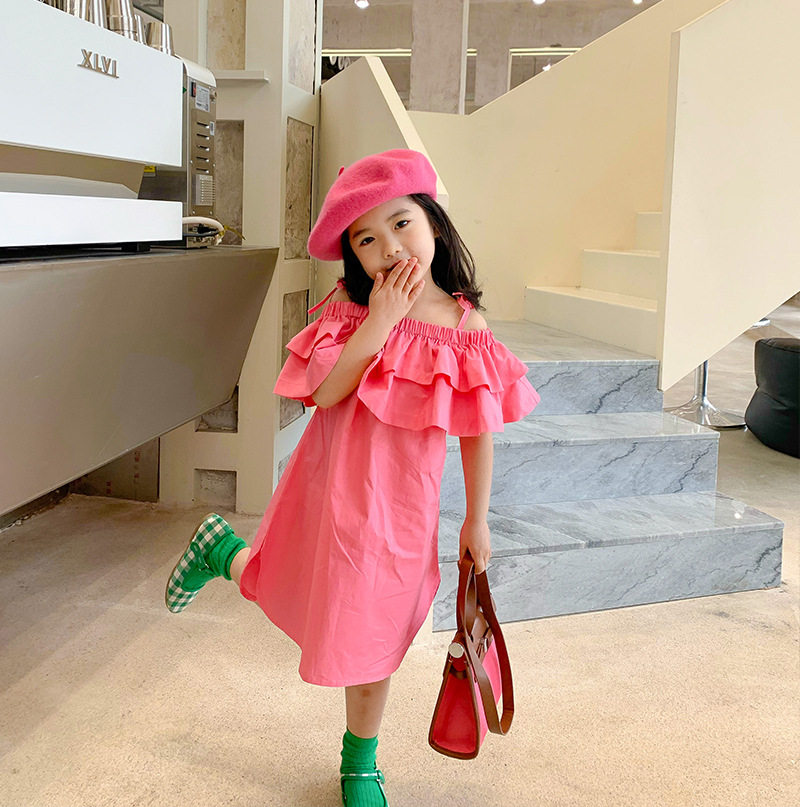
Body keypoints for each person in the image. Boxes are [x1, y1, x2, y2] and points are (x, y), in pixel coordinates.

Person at [164, 149, 540, 807]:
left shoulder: (465, 329)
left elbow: (477, 431)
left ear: (434, 224)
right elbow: (324, 392)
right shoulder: (349, 307)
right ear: (353, 256)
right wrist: (382, 321)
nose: (388, 247)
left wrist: (477, 520)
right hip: (333, 490)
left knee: (374, 631)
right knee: (303, 592)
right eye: (366, 239)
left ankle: (359, 762)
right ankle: (226, 556)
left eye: (401, 223)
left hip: (402, 509)